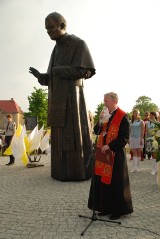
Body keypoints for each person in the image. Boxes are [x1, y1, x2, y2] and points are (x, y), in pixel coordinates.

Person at [29, 12, 96, 181]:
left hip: (73, 99)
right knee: (59, 137)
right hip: (57, 100)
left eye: (51, 27)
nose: (48, 31)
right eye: (46, 29)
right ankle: (60, 171)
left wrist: (59, 71)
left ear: (62, 25)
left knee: (73, 136)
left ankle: (76, 171)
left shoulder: (78, 43)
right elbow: (53, 77)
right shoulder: (56, 48)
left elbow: (85, 71)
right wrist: (42, 77)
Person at [88, 92, 133, 220]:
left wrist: (110, 146)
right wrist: (100, 120)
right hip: (102, 155)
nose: (104, 103)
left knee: (115, 182)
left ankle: (117, 210)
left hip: (115, 154)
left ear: (114, 101)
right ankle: (104, 208)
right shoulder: (105, 116)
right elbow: (96, 131)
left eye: (106, 101)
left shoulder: (123, 116)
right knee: (102, 181)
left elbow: (124, 137)